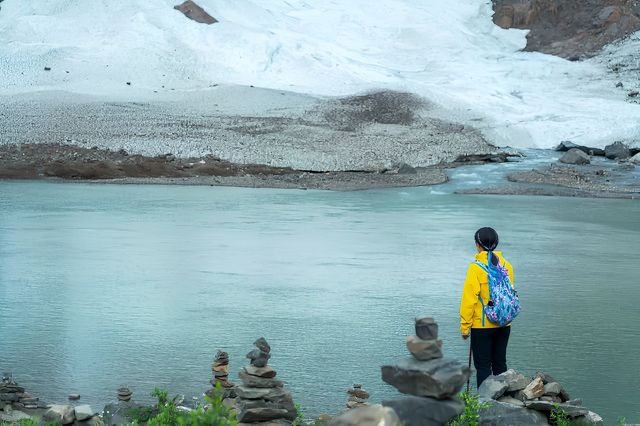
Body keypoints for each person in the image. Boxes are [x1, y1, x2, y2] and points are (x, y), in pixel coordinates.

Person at [459, 227, 514, 388]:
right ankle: (503, 401)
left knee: (483, 367)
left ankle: (485, 406)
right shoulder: (507, 266)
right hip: (504, 323)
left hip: (482, 325)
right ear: (496, 244)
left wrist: (465, 327)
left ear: (477, 245)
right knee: (500, 363)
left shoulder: (475, 268)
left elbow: (469, 300)